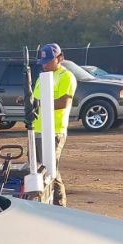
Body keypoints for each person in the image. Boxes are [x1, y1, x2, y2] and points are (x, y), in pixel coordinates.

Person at [29, 43, 77, 206]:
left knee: (50, 171)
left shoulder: (66, 76)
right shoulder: (41, 78)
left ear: (60, 58)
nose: (44, 65)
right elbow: (36, 100)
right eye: (43, 61)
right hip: (37, 129)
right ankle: (42, 201)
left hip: (54, 131)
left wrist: (40, 104)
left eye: (48, 61)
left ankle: (59, 205)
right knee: (36, 169)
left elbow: (64, 102)